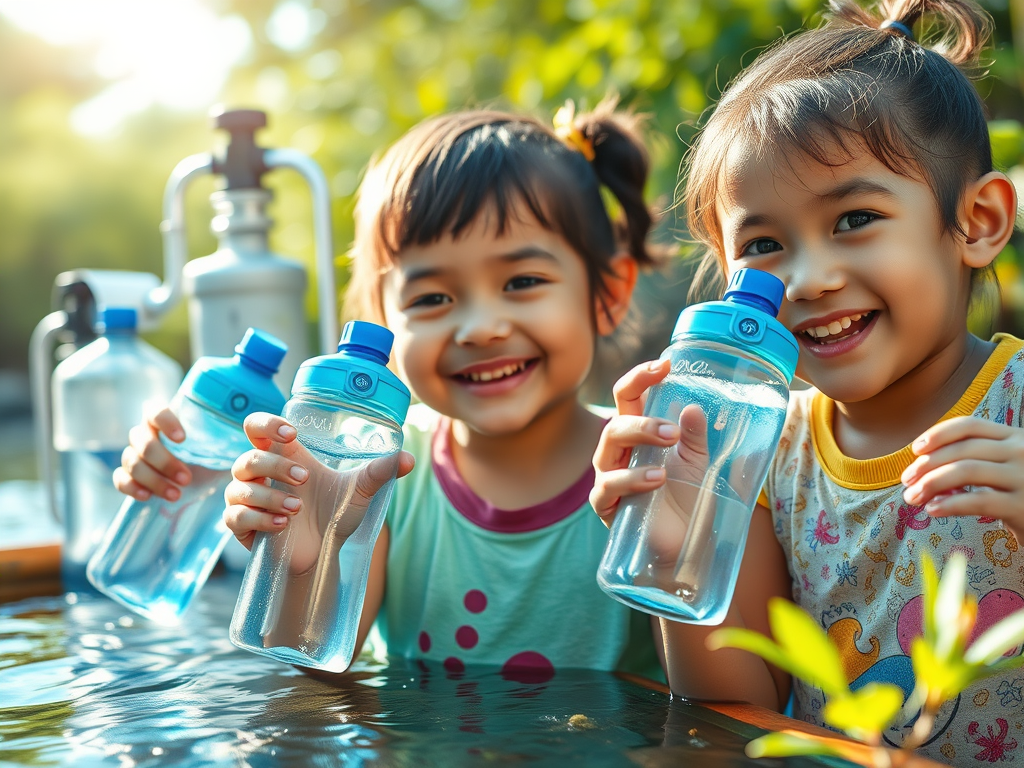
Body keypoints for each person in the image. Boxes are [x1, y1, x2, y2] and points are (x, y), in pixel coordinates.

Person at [590, 0, 1024, 763]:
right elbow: (735, 712)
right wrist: (680, 540)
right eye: (763, 244)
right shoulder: (763, 446)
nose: (809, 280)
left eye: (854, 220)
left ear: (978, 221)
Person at [114, 100, 666, 682]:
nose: (480, 328)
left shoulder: (646, 469)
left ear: (608, 293)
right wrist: (305, 555)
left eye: (522, 281)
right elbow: (313, 672)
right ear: (383, 325)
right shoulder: (381, 472)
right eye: (432, 298)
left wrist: (668, 544)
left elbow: (716, 692)